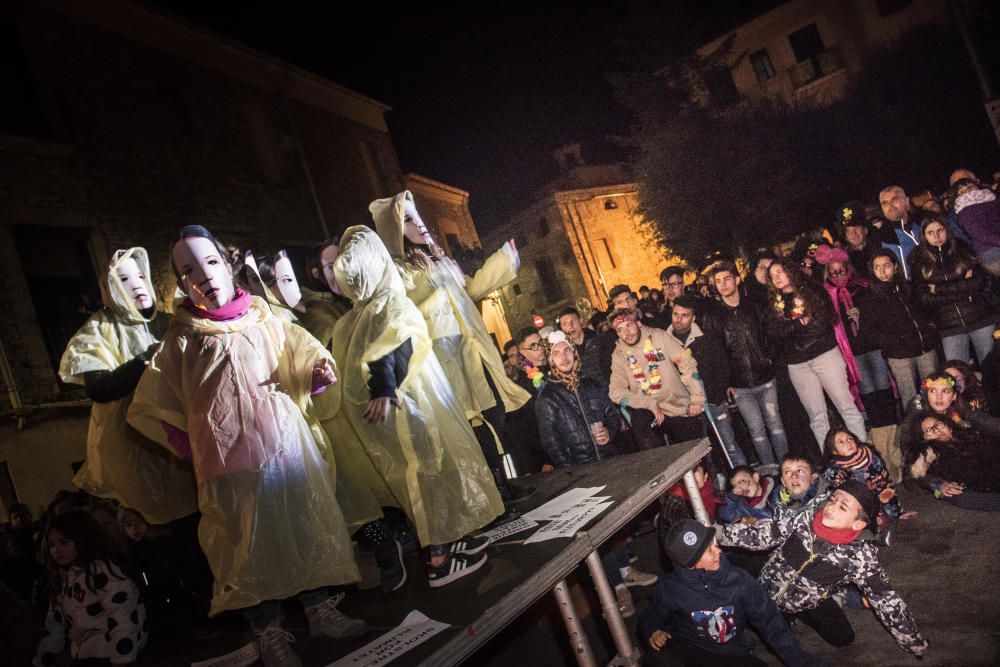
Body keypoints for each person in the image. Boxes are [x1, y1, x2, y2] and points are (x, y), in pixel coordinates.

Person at [127, 225, 365, 665]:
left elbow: (300, 358)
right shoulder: (181, 338)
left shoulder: (264, 316)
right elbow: (157, 400)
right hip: (228, 464)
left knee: (304, 524)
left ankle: (319, 609)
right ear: (181, 283)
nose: (203, 275)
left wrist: (314, 376)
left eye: (211, 262)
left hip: (286, 451)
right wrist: (187, 443)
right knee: (245, 545)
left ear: (228, 264)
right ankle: (267, 631)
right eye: (188, 270)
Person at [330, 225, 504, 587]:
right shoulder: (388, 303)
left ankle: (455, 539)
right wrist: (384, 383)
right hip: (415, 409)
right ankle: (440, 559)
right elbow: (397, 345)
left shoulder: (351, 319)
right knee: (431, 474)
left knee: (428, 476)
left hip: (396, 417)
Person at [370, 192, 533, 504]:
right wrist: (442, 286)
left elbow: (469, 288)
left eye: (417, 215)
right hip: (444, 360)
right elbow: (406, 313)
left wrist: (503, 261)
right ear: (392, 230)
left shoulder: (438, 259)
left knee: (492, 415)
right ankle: (487, 496)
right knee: (469, 427)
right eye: (406, 219)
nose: (418, 223)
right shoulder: (399, 272)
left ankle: (501, 486)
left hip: (472, 351)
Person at [58, 247, 198, 526]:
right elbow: (99, 388)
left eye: (139, 276)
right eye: (123, 279)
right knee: (164, 528)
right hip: (136, 448)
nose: (136, 284)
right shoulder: (97, 331)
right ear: (110, 288)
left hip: (183, 440)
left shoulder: (170, 323)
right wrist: (145, 359)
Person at [719, 482, 928, 657]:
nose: (831, 507)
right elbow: (764, 535)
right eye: (833, 500)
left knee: (843, 639)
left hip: (808, 602)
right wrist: (719, 534)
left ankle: (832, 599)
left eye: (843, 507)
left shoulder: (860, 558)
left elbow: (888, 602)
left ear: (857, 525)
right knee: (774, 646)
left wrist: (913, 642)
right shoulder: (805, 519)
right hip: (766, 589)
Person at [534, 331, 655, 616]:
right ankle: (617, 590)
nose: (563, 357)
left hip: (608, 465)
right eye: (556, 354)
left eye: (567, 351)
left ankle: (626, 572)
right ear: (550, 360)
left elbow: (612, 417)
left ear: (574, 354)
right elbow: (551, 445)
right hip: (580, 476)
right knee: (599, 535)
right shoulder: (547, 398)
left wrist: (608, 433)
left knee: (617, 526)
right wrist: (573, 474)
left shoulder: (591, 385)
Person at [638, 519, 817, 667]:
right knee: (658, 658)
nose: (718, 551)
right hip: (689, 650)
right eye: (709, 550)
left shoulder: (739, 581)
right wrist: (652, 630)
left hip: (730, 655)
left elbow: (772, 624)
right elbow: (651, 613)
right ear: (691, 564)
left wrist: (802, 662)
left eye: (713, 544)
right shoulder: (671, 587)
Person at [766, 258, 867, 451]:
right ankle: (832, 461)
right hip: (797, 364)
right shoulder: (774, 305)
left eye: (779, 272)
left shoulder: (813, 290)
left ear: (790, 270)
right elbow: (774, 334)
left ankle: (862, 450)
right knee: (817, 417)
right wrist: (800, 323)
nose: (776, 277)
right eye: (772, 276)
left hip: (824, 354)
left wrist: (792, 329)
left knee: (845, 405)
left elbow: (822, 323)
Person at [34, 510, 147, 666]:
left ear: (82, 539)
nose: (56, 550)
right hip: (85, 654)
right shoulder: (64, 577)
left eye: (64, 542)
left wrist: (123, 659)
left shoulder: (104, 571)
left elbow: (123, 614)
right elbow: (54, 623)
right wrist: (45, 658)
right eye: (52, 545)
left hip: (111, 652)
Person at [710, 263, 789, 470]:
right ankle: (771, 472)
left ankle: (787, 467)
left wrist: (769, 359)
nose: (723, 284)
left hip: (766, 379)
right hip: (741, 387)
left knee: (776, 426)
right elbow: (718, 353)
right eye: (718, 281)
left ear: (736, 279)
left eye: (727, 279)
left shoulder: (754, 306)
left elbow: (771, 335)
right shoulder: (715, 316)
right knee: (757, 431)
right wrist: (726, 381)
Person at [608, 308, 706, 448]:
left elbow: (687, 364)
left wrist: (697, 398)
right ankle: (660, 465)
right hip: (651, 413)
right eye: (620, 330)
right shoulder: (619, 355)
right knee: (639, 419)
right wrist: (648, 403)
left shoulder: (659, 337)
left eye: (629, 325)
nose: (626, 333)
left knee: (693, 447)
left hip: (678, 408)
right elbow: (615, 391)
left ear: (639, 323)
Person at [667, 295, 745, 470]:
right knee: (706, 453)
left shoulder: (706, 336)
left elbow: (722, 364)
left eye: (684, 315)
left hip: (713, 399)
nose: (678, 320)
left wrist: (717, 394)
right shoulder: (664, 342)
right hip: (688, 407)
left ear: (693, 317)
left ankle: (742, 476)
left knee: (729, 444)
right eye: (675, 314)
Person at [856, 250, 939, 409]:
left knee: (934, 390)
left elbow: (928, 309)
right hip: (899, 355)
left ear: (895, 267)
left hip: (925, 348)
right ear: (872, 270)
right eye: (877, 267)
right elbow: (868, 332)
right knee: (910, 397)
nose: (882, 271)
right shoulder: (869, 297)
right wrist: (896, 341)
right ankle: (916, 429)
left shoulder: (908, 287)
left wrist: (931, 328)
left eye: (886, 266)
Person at [910, 215, 998, 364]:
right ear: (924, 236)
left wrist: (938, 289)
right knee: (957, 374)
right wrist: (964, 286)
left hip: (980, 317)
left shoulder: (962, 248)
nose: (936, 236)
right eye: (930, 233)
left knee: (993, 366)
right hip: (949, 326)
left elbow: (978, 283)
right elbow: (925, 298)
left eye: (940, 230)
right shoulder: (919, 260)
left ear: (947, 230)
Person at [821, 430, 913, 531]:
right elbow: (829, 497)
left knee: (883, 524)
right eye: (841, 442)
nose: (848, 443)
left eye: (849, 439)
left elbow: (885, 488)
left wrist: (897, 513)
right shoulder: (834, 471)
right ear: (834, 450)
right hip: (848, 509)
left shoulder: (871, 458)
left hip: (874, 503)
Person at [909, 415, 1000, 511]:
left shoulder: (971, 435)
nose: (936, 430)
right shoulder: (929, 452)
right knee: (960, 496)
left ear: (948, 426)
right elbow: (917, 474)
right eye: (928, 430)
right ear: (924, 438)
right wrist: (938, 485)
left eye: (937, 424)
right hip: (975, 489)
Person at [952, 176, 1000, 275]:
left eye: (970, 187)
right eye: (962, 190)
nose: (968, 191)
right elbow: (977, 232)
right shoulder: (964, 209)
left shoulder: (992, 199)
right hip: (988, 249)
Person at [873, 185, 922, 280]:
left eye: (894, 200)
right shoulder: (879, 239)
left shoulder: (925, 224)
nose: (890, 206)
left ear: (907, 201)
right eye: (885, 203)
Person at [836, 201, 879, 277]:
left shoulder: (880, 248)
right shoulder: (843, 259)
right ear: (845, 236)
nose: (853, 233)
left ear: (865, 230)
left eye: (856, 228)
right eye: (848, 230)